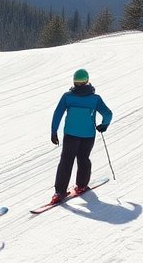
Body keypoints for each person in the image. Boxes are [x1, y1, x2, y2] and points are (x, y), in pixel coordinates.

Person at [48, 69, 112, 205]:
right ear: (87, 81)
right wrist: (103, 125)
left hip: (70, 134)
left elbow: (57, 113)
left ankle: (59, 192)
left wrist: (54, 132)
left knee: (66, 161)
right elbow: (108, 114)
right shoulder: (95, 99)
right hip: (88, 135)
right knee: (83, 159)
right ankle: (82, 185)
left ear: (74, 82)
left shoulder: (67, 97)